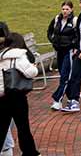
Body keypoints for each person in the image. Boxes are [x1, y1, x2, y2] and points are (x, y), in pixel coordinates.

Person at [0, 22, 40, 155]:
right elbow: (31, 72)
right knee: (23, 127)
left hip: (2, 96)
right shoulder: (17, 55)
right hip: (16, 96)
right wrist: (33, 66)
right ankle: (30, 152)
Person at [47, 1, 77, 109]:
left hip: (68, 52)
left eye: (67, 9)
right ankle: (72, 96)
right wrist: (53, 40)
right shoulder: (56, 19)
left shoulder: (74, 21)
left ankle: (57, 99)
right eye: (63, 9)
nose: (65, 11)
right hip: (59, 51)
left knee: (65, 76)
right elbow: (50, 31)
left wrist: (74, 46)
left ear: (71, 10)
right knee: (63, 75)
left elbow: (78, 35)